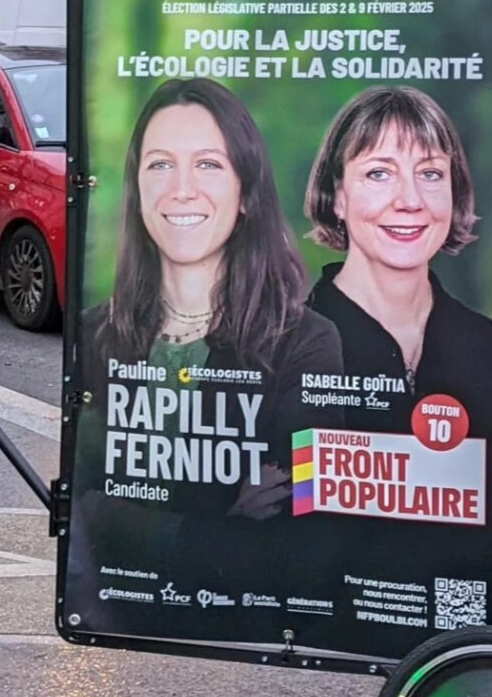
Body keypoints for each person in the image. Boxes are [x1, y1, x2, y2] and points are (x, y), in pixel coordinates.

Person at [83, 78, 344, 523]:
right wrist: (223, 521)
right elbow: (83, 504)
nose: (181, 188)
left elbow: (289, 528)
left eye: (208, 164)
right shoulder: (94, 333)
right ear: (137, 189)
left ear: (246, 191)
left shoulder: (306, 345)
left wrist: (126, 521)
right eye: (160, 164)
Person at [303, 85, 492, 441]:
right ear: (338, 197)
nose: (410, 200)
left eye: (430, 174)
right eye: (379, 173)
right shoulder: (278, 351)